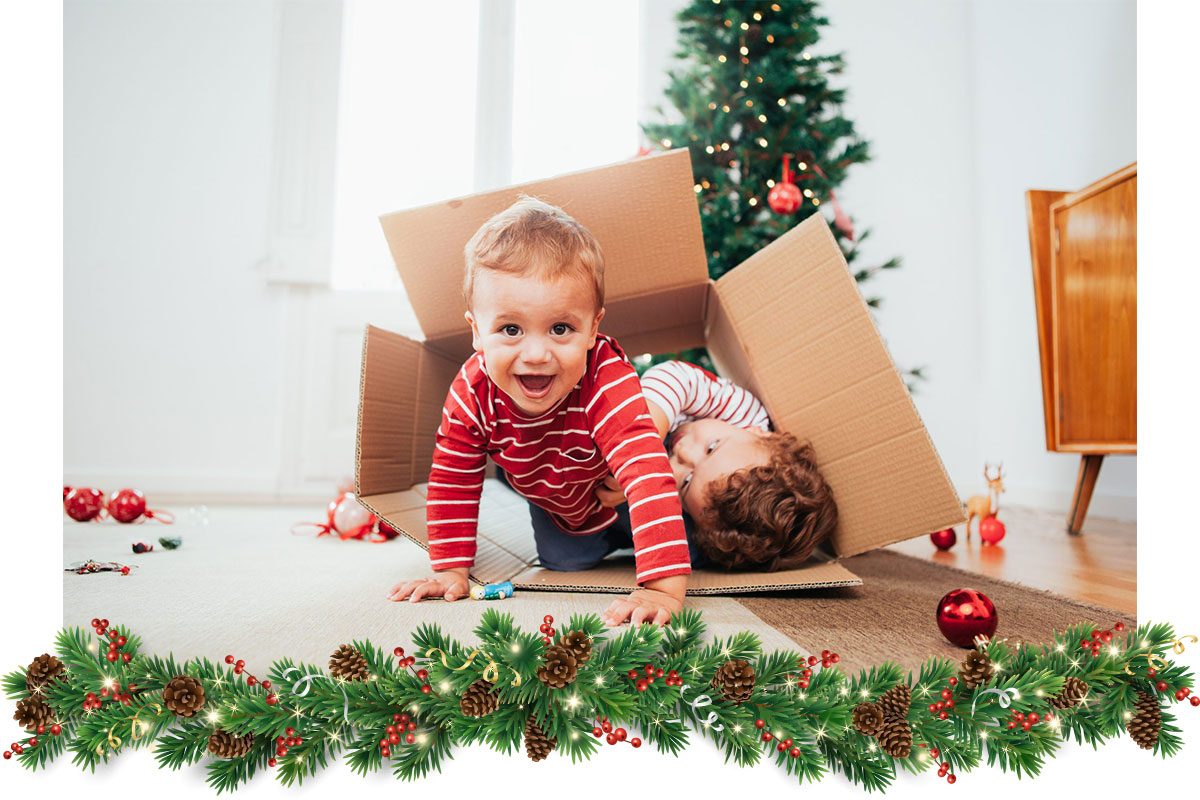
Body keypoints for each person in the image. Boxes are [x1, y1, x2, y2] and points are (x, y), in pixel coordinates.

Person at [387, 197, 694, 626]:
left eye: (560, 328)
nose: (536, 354)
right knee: (564, 561)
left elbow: (645, 472)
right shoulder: (472, 392)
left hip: (629, 489)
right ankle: (606, 542)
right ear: (477, 331)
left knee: (695, 541)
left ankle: (655, 547)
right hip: (560, 506)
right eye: (510, 329)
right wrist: (450, 570)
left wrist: (662, 588)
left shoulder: (605, 379)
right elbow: (454, 477)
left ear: (593, 329)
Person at [595, 360, 839, 571]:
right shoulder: (745, 414)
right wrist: (641, 445)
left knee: (571, 556)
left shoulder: (701, 520)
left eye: (687, 481)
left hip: (638, 503)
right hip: (651, 414)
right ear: (761, 435)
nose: (682, 451)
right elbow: (675, 377)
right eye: (711, 448)